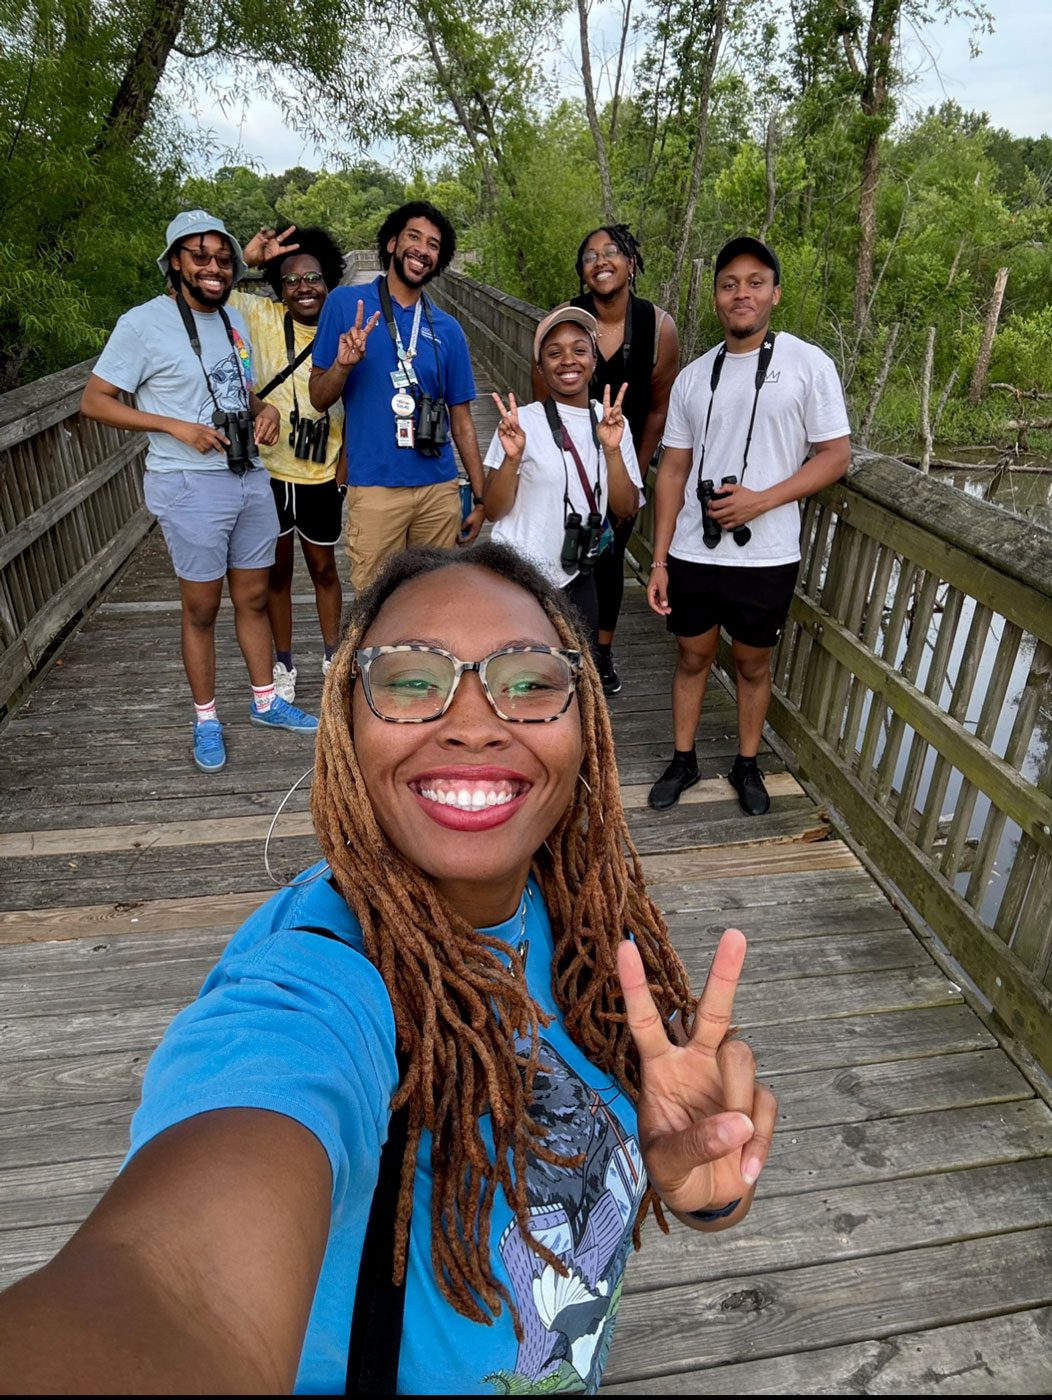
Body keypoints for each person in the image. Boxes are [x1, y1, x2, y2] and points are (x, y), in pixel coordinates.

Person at [0, 543, 778, 1395]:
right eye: (411, 680)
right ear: (344, 720)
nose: (476, 722)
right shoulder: (314, 984)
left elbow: (671, 1183)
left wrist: (699, 1183)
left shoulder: (590, 924)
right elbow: (174, 1291)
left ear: (584, 722)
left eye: (528, 681)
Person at [80, 210, 320, 775]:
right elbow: (94, 400)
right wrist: (173, 425)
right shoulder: (142, 324)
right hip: (187, 483)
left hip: (247, 474)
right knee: (202, 607)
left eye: (222, 258)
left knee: (254, 598)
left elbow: (242, 391)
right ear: (175, 265)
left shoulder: (231, 319)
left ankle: (266, 701)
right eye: (200, 257)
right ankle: (206, 718)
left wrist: (264, 416)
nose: (213, 268)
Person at [647, 236, 851, 816]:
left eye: (755, 282)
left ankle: (747, 764)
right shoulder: (692, 377)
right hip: (694, 548)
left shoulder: (809, 365)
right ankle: (683, 760)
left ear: (775, 294)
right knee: (692, 656)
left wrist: (761, 501)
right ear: (716, 297)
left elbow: (836, 456)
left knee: (752, 663)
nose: (743, 294)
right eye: (730, 283)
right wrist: (659, 560)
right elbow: (673, 472)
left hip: (767, 554)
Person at [309, 201, 487, 593]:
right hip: (374, 487)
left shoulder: (449, 330)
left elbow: (462, 418)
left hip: (438, 490)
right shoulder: (346, 304)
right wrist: (343, 365)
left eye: (434, 245)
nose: (423, 249)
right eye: (413, 237)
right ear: (391, 243)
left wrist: (480, 495)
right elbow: (319, 397)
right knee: (376, 606)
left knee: (435, 603)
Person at [557, 225, 680, 696]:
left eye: (612, 252)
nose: (600, 260)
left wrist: (634, 473)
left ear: (631, 263)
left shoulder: (658, 327)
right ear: (583, 271)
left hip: (622, 468)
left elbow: (658, 406)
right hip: (571, 467)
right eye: (590, 255)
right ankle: (565, 645)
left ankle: (602, 652)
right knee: (566, 551)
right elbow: (543, 394)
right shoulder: (567, 321)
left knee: (609, 561)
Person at [233, 223, 347, 703]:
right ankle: (282, 662)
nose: (304, 288)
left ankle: (332, 653)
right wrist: (246, 261)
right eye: (292, 280)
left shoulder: (346, 327)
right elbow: (192, 293)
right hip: (270, 468)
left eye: (314, 278)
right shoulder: (258, 316)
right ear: (279, 288)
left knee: (323, 567)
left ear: (330, 281)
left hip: (323, 470)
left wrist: (349, 463)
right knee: (277, 572)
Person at [485, 305, 643, 650]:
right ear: (540, 368)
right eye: (554, 353)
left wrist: (612, 450)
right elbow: (493, 510)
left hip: (575, 574)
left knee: (575, 675)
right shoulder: (521, 422)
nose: (568, 360)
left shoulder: (613, 422)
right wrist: (511, 460)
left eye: (580, 350)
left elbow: (626, 506)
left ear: (594, 361)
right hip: (518, 574)